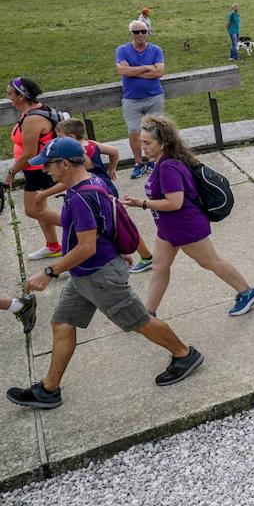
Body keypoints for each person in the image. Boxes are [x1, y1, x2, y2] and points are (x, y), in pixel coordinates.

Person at [6, 138, 203, 410]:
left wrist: (49, 272)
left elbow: (86, 246)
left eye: (49, 165)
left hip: (99, 275)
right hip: (85, 274)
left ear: (64, 164)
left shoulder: (81, 197)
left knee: (140, 321)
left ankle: (185, 354)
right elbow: (96, 224)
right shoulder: (94, 183)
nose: (46, 171)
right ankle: (49, 390)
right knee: (62, 323)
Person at [119, 115, 254, 318]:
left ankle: (247, 292)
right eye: (142, 142)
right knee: (160, 266)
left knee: (209, 261)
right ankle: (147, 314)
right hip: (168, 227)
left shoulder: (168, 167)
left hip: (185, 226)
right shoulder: (163, 161)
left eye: (147, 143)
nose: (143, 147)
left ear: (163, 143)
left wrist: (142, 203)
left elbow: (174, 202)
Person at [34, 118, 154, 274]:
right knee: (119, 223)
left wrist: (44, 193)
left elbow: (67, 182)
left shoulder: (77, 156)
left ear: (71, 137)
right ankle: (139, 255)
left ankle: (145, 256)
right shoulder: (91, 144)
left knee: (120, 224)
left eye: (60, 137)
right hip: (104, 185)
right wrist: (111, 170)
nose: (58, 141)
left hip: (95, 191)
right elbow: (114, 151)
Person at [4, 77, 62, 260]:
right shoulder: (33, 110)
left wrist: (11, 172)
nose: (8, 98)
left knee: (32, 210)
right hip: (34, 168)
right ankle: (53, 246)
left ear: (21, 96)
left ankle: (84, 226)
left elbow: (29, 153)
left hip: (37, 169)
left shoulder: (33, 119)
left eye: (10, 94)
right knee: (41, 209)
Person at [116, 19, 166, 178]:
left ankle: (154, 161)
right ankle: (138, 162)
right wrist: (147, 67)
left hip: (154, 97)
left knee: (155, 131)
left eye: (143, 31)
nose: (140, 35)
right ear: (131, 34)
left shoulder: (156, 50)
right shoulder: (122, 50)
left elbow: (159, 73)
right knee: (134, 131)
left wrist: (133, 70)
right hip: (131, 99)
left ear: (148, 32)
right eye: (136, 32)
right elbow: (123, 72)